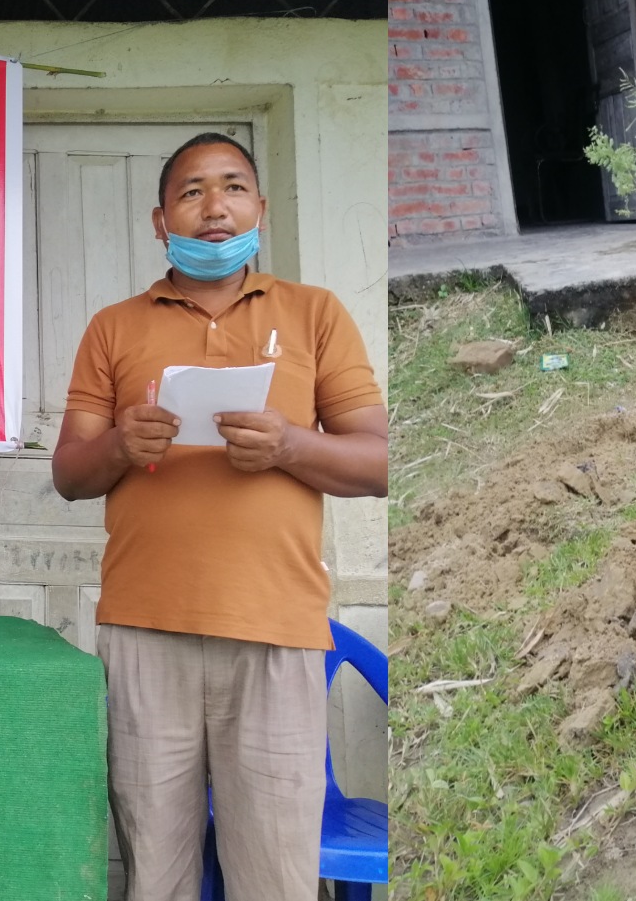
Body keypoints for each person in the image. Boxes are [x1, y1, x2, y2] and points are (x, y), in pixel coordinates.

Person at [52, 134, 387, 901]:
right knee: (155, 872)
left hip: (276, 627)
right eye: (191, 191)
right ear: (159, 218)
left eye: (232, 186)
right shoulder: (113, 326)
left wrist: (290, 444)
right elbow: (70, 473)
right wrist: (118, 446)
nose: (213, 207)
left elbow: (378, 461)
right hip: (144, 631)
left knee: (273, 872)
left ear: (260, 208)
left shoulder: (314, 314)